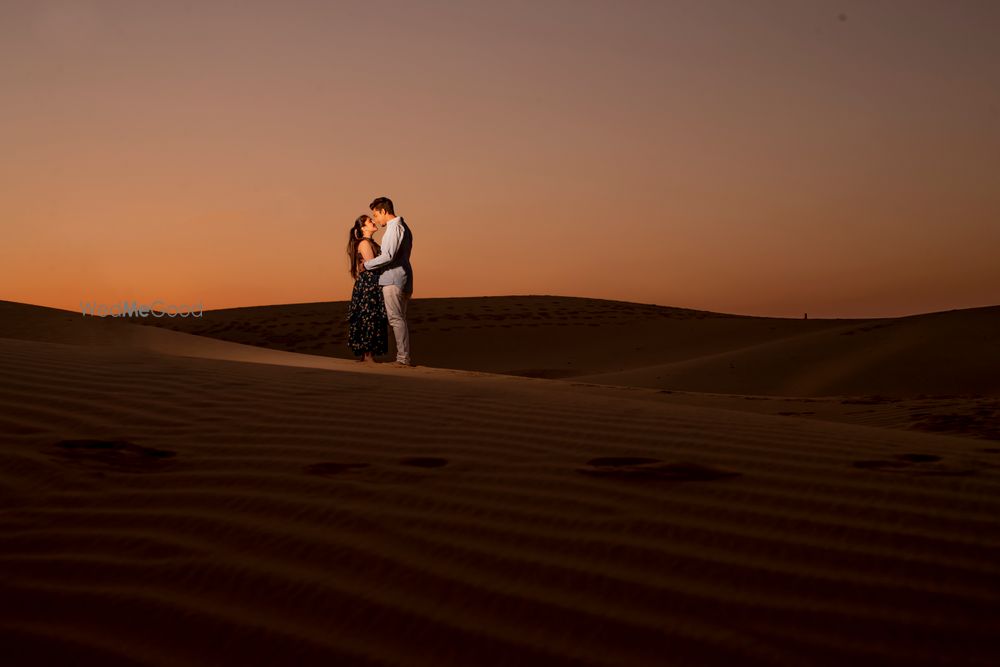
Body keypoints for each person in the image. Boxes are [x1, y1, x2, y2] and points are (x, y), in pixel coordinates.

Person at [363, 196, 414, 367]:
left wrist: (367, 264)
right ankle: (403, 357)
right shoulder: (401, 227)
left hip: (394, 278)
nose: (376, 219)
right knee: (399, 319)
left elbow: (389, 256)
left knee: (396, 319)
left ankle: (403, 358)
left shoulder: (395, 228)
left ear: (383, 211)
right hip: (400, 277)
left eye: (376, 215)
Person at [346, 214, 388, 362]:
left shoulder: (369, 242)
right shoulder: (364, 243)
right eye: (370, 221)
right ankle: (368, 356)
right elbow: (373, 264)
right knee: (368, 317)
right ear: (363, 228)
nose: (373, 222)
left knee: (372, 317)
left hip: (372, 283)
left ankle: (369, 356)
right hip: (368, 285)